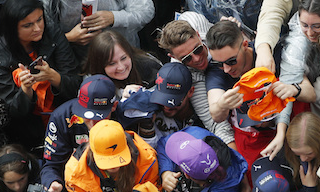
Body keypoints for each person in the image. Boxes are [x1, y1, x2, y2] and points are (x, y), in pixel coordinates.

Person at [0, 0, 80, 150]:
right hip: (29, 134)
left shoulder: (52, 33)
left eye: (39, 19)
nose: (37, 28)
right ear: (12, 28)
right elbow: (12, 112)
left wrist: (53, 77)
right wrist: (26, 90)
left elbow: (76, 85)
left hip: (67, 119)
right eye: (27, 25)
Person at [206, 19, 300, 163]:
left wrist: (292, 89)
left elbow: (308, 91)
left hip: (290, 121)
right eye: (219, 63)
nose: (226, 69)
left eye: (231, 61)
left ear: (245, 45)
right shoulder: (216, 72)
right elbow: (215, 114)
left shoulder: (268, 53)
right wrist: (222, 105)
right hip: (254, 135)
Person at [157, 17, 236, 147]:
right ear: (173, 57)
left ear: (199, 35)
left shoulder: (195, 19)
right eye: (187, 58)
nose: (197, 58)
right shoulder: (187, 77)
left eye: (198, 49)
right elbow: (216, 124)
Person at [41, 75, 119, 192]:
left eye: (99, 117)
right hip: (77, 191)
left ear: (114, 106)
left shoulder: (125, 114)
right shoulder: (62, 117)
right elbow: (52, 165)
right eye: (86, 115)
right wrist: (53, 182)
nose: (92, 123)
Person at [42, 0, 155, 58]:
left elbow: (146, 11)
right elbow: (38, 37)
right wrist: (68, 38)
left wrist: (113, 17)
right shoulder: (48, 3)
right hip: (77, 64)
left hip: (125, 57)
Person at [82, 30, 162, 99]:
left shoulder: (150, 67)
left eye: (123, 58)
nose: (121, 67)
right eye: (112, 63)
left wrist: (141, 96)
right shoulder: (91, 82)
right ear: (99, 65)